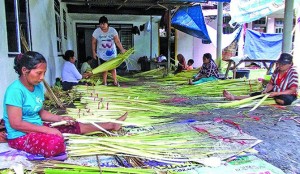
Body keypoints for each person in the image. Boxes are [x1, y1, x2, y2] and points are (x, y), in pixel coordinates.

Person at [3, 51, 127, 158]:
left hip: (37, 126)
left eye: (44, 73)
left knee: (74, 126)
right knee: (55, 143)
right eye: (39, 73)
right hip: (20, 136)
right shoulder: (15, 91)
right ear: (25, 71)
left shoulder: (38, 87)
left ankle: (111, 124)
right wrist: (47, 130)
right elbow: (16, 123)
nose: (42, 77)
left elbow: (40, 111)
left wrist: (60, 118)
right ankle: (56, 139)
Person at [223, 53, 298, 105]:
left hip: (286, 94)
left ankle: (274, 97)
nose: (281, 66)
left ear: (290, 64)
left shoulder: (293, 72)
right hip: (274, 92)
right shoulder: (277, 70)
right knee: (256, 95)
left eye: (283, 64)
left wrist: (277, 94)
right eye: (280, 63)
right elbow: (271, 83)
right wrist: (266, 91)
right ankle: (233, 97)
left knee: (282, 101)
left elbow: (292, 90)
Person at [92, 16, 126, 86]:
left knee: (113, 68)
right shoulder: (97, 31)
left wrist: (122, 49)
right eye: (100, 24)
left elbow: (117, 41)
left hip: (112, 54)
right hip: (102, 54)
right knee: (104, 69)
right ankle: (105, 82)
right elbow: (93, 42)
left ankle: (115, 82)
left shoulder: (112, 30)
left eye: (104, 24)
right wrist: (93, 52)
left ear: (107, 24)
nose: (102, 26)